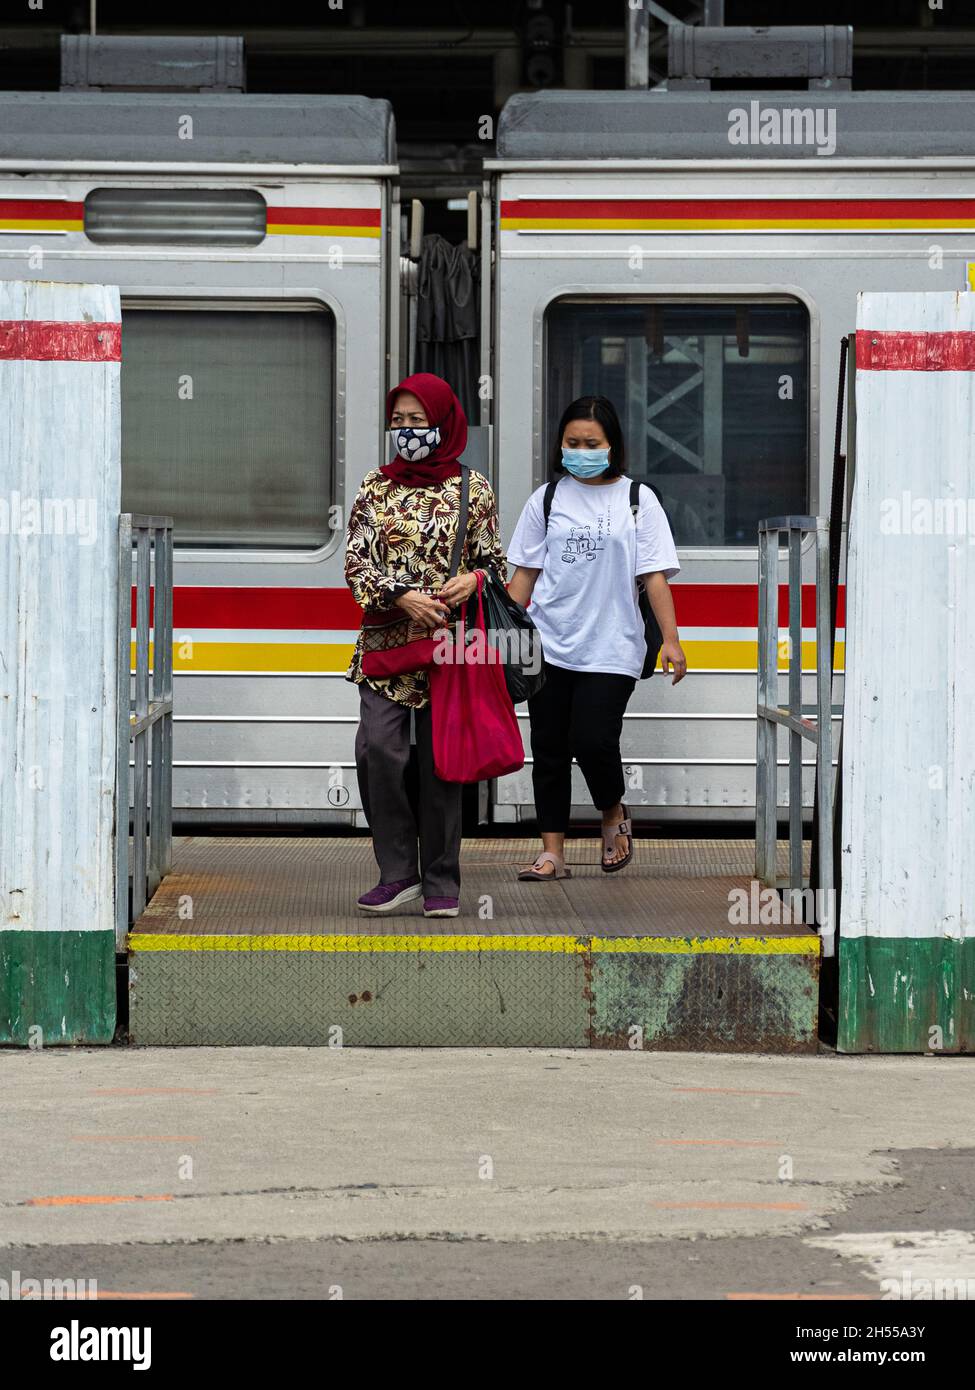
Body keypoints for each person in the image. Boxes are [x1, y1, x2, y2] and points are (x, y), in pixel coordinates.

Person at [345, 372, 506, 917]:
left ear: (443, 423)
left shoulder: (473, 488)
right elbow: (355, 563)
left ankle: (441, 880)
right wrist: (401, 596)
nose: (407, 431)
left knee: (442, 763)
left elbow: (496, 566)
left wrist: (476, 581)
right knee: (377, 751)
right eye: (399, 422)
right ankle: (397, 873)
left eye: (418, 421)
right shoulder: (375, 486)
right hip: (388, 641)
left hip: (452, 648)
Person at [506, 395, 687, 879]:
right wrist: (497, 636)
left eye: (592, 443)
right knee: (548, 747)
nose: (581, 450)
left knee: (592, 738)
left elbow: (654, 577)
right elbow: (523, 576)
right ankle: (553, 854)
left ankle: (612, 811)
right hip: (547, 643)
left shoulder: (637, 499)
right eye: (572, 442)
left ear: (612, 446)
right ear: (559, 445)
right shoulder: (546, 499)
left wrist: (671, 640)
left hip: (613, 645)